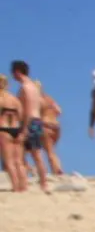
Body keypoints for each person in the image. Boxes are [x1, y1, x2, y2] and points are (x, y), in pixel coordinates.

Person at [13, 62, 50, 191]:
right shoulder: (34, 87)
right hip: (36, 121)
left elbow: (28, 109)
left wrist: (24, 130)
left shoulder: (26, 87)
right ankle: (43, 184)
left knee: (22, 156)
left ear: (18, 72)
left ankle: (25, 186)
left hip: (29, 122)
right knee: (36, 155)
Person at [0, 74, 24, 192]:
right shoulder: (14, 99)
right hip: (16, 129)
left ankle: (15, 186)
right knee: (19, 161)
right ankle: (23, 186)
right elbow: (21, 116)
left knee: (8, 161)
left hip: (3, 129)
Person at [31, 88, 62, 180]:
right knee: (51, 151)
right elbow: (59, 111)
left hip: (46, 126)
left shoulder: (38, 100)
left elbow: (34, 115)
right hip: (56, 126)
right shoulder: (50, 99)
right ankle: (58, 169)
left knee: (47, 152)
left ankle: (55, 171)